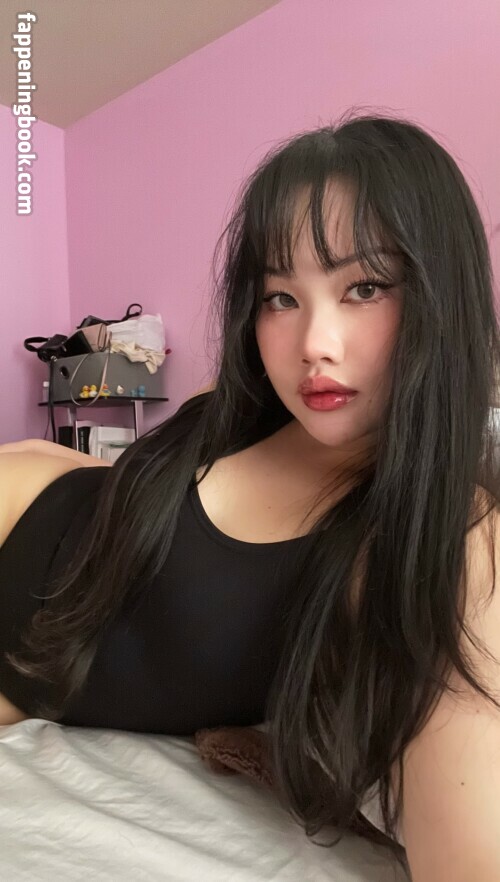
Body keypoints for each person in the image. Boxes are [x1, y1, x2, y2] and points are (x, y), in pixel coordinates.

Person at [1, 109, 499, 878]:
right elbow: (132, 490)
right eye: (280, 297)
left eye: (365, 286)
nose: (313, 346)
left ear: (443, 296)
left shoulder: (452, 535)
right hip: (31, 492)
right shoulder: (244, 403)